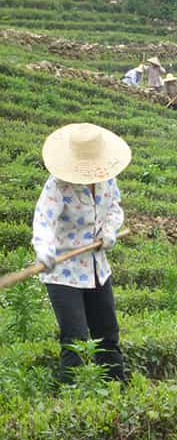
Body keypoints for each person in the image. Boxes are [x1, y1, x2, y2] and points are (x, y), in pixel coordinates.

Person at [32, 123, 130, 383]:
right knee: (74, 338)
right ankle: (69, 402)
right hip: (63, 272)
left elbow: (114, 209)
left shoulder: (108, 177)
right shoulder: (58, 186)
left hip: (98, 267)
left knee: (107, 334)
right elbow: (44, 220)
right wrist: (44, 250)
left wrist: (109, 231)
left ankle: (117, 390)